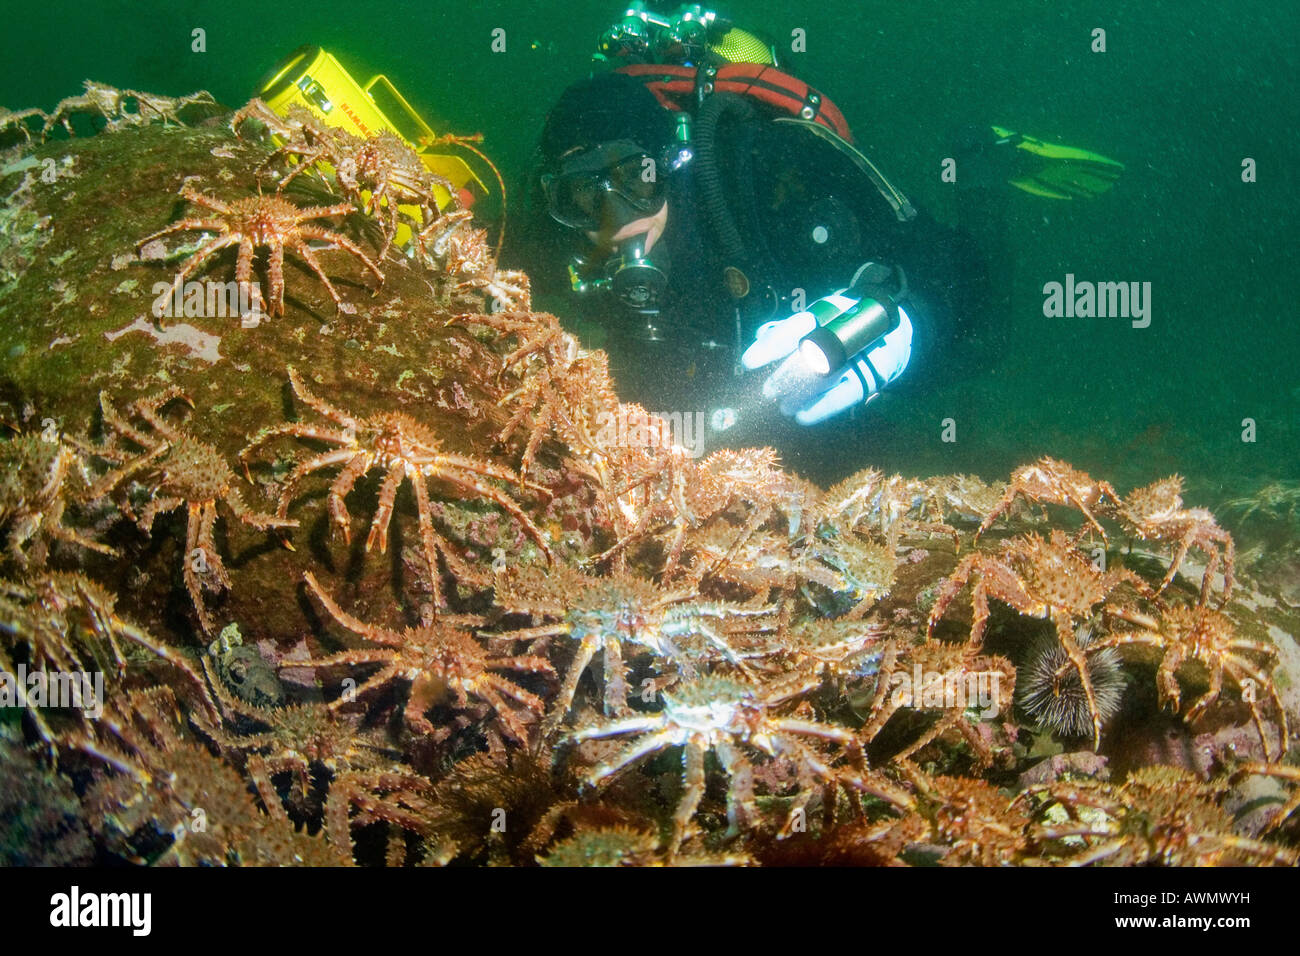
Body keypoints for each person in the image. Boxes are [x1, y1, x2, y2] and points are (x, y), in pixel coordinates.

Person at [512, 3, 1122, 435]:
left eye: (633, 177)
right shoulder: (549, 240)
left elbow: (948, 267)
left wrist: (900, 320)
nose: (612, 219)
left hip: (833, 349)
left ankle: (984, 161)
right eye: (580, 196)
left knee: (984, 345)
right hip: (716, 394)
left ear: (672, 160)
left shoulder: (776, 169)